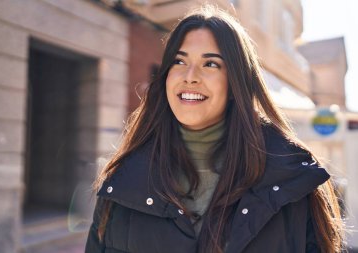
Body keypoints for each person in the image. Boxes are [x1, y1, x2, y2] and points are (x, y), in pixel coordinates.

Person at [85, 5, 344, 253]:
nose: (190, 76)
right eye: (179, 61)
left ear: (236, 83)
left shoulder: (292, 180)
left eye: (210, 64)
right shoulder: (122, 182)